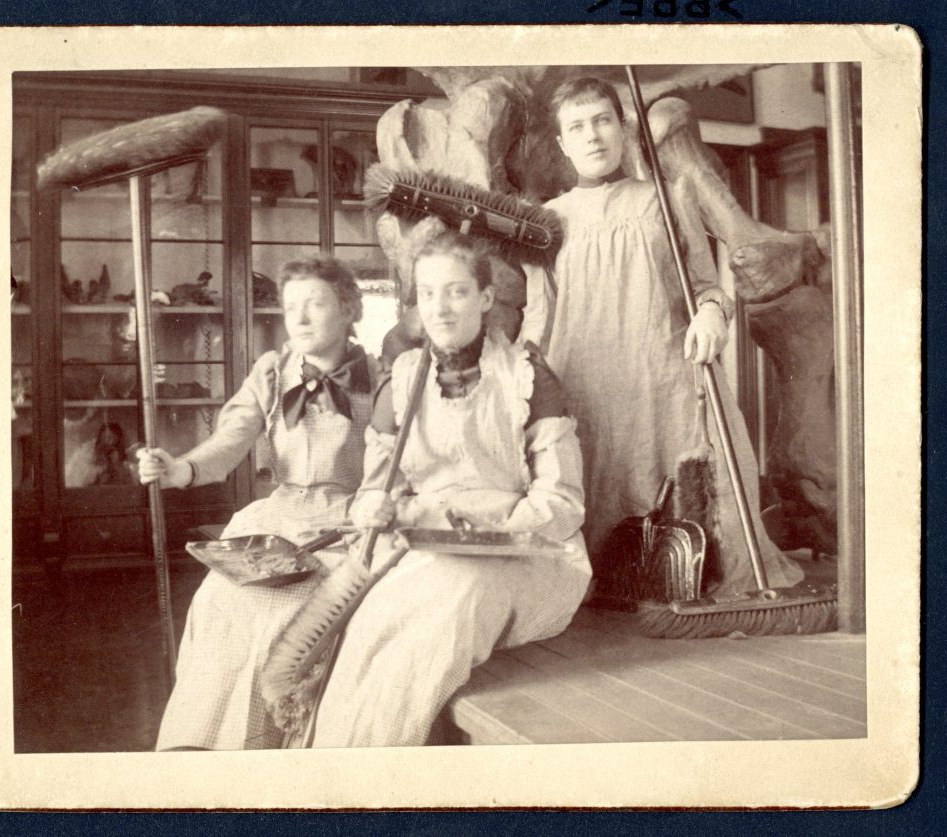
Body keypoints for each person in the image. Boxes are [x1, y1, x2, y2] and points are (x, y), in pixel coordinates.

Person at [521, 77, 803, 596]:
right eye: (577, 127)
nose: (593, 136)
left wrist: (713, 314)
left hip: (663, 368)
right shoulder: (549, 219)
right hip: (586, 380)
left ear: (622, 127)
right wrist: (527, 375)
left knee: (694, 475)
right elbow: (541, 314)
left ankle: (684, 575)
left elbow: (704, 285)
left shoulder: (667, 198)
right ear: (562, 143)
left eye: (603, 120)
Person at [309, 231, 591, 748]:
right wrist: (376, 506)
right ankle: (341, 773)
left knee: (452, 596)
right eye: (429, 292)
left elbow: (563, 504)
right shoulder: (402, 379)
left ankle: (381, 774)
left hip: (529, 559)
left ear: (485, 299)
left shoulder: (529, 378)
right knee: (375, 620)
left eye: (458, 291)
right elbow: (377, 489)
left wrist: (487, 527)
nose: (441, 308)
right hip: (423, 552)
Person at [137, 256, 380, 750]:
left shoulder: (383, 378)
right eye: (292, 308)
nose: (302, 319)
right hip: (280, 517)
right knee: (221, 602)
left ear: (350, 308)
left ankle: (277, 749)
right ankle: (198, 744)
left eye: (316, 304)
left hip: (349, 525)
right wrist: (179, 469)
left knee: (288, 616)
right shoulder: (273, 371)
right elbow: (231, 439)